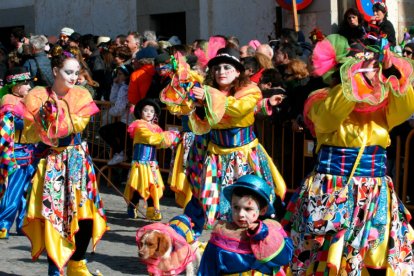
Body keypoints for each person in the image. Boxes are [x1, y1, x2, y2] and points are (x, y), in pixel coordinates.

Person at [282, 34, 414, 275]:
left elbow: (405, 106)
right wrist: (354, 80)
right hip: (333, 190)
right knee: (322, 257)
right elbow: (328, 118)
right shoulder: (320, 97)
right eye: (362, 67)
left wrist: (391, 71)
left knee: (370, 257)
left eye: (373, 67)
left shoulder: (384, 105)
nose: (370, 73)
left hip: (373, 192)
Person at [20, 46, 107, 276]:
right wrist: (44, 117)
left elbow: (76, 124)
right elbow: (33, 133)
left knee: (85, 215)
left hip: (77, 162)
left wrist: (54, 117)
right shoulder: (38, 96)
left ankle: (77, 264)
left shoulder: (81, 95)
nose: (74, 77)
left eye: (76, 72)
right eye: (68, 72)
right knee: (54, 218)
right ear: (56, 70)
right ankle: (55, 269)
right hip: (52, 165)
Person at [190, 47, 286, 229]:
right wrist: (197, 104)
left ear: (238, 71)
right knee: (215, 202)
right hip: (216, 156)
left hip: (244, 156)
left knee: (249, 199)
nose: (221, 72)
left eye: (227, 67)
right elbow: (202, 122)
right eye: (217, 68)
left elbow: (240, 109)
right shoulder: (208, 91)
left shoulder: (249, 89)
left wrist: (209, 97)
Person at [197, 174, 293, 275]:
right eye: (236, 207)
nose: (241, 214)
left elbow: (284, 257)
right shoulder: (221, 236)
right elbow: (207, 269)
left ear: (262, 210)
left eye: (248, 209)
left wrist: (262, 234)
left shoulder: (272, 230)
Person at [124, 98, 179, 220]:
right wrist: (170, 135)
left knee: (152, 186)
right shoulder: (138, 125)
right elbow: (151, 138)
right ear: (140, 112)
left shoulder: (156, 128)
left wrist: (171, 139)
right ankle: (132, 206)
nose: (149, 113)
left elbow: (159, 143)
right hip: (140, 164)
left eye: (151, 111)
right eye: (146, 110)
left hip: (152, 164)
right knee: (138, 186)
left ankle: (151, 210)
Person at [0, 67, 36, 239]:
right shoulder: (9, 101)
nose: (28, 87)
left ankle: (23, 225)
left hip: (30, 150)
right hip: (17, 151)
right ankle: (3, 224)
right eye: (25, 84)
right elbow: (15, 124)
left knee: (27, 192)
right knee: (14, 190)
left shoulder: (26, 100)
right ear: (15, 87)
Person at [99, 64, 134, 165]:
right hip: (124, 119)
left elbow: (119, 108)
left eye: (120, 74)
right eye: (117, 74)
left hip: (127, 120)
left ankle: (121, 153)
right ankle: (122, 153)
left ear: (127, 75)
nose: (117, 76)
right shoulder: (122, 86)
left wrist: (110, 111)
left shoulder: (125, 88)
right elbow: (113, 100)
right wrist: (115, 85)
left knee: (104, 131)